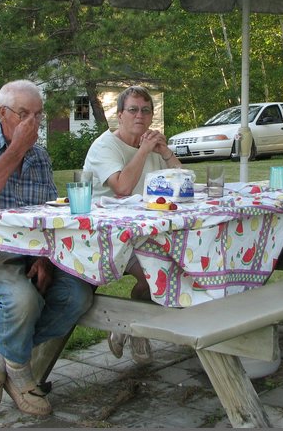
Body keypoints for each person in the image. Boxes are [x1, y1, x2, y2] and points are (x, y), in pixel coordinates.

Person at [0, 80, 94, 417]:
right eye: (23, 114)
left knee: (78, 295)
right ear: (2, 113)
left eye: (38, 115)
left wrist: (45, 257)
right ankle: (21, 375)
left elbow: (47, 214)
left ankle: (2, 357)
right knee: (23, 297)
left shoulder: (40, 156)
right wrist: (15, 150)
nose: (33, 123)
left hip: (29, 249)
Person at [83, 85, 182, 364]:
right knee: (157, 271)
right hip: (109, 236)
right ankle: (132, 327)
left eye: (146, 110)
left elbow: (184, 184)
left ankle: (132, 327)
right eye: (133, 110)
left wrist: (164, 152)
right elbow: (123, 187)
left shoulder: (153, 145)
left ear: (152, 117)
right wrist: (144, 149)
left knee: (178, 265)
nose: (140, 115)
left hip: (148, 230)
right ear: (119, 115)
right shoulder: (105, 146)